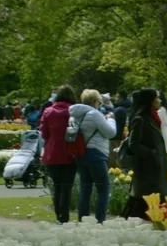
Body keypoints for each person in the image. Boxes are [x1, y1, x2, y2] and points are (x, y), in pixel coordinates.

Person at [121, 88, 167, 215]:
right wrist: (151, 153)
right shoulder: (140, 119)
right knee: (142, 202)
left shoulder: (154, 117)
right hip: (146, 168)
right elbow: (133, 144)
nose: (159, 100)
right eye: (157, 98)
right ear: (150, 100)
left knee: (155, 201)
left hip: (156, 166)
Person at [70, 88, 116, 222]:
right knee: (103, 188)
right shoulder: (95, 114)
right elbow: (111, 133)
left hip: (80, 153)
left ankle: (83, 219)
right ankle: (99, 220)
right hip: (95, 152)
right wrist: (111, 120)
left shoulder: (74, 115)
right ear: (95, 101)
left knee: (85, 188)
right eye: (99, 102)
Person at [38, 87, 81, 223]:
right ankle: (64, 214)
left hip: (52, 152)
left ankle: (58, 214)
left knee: (57, 185)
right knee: (66, 186)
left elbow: (44, 133)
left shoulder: (48, 111)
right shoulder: (73, 111)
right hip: (69, 151)